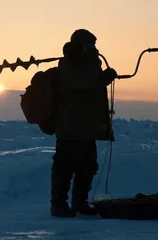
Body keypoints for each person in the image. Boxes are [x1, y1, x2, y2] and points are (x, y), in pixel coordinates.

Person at [50, 29, 118, 217]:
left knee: (88, 166)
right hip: (70, 126)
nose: (94, 48)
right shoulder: (69, 64)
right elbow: (83, 85)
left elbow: (91, 85)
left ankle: (80, 202)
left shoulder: (89, 64)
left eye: (94, 44)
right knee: (65, 166)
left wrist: (101, 76)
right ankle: (59, 204)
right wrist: (103, 78)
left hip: (86, 126)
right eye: (90, 44)